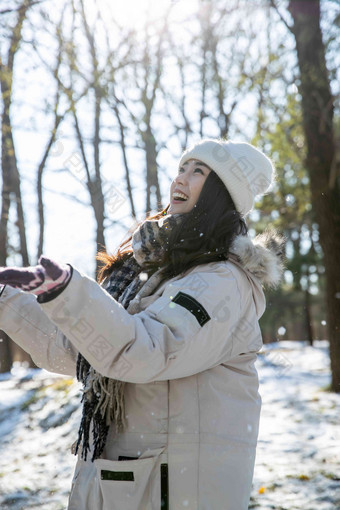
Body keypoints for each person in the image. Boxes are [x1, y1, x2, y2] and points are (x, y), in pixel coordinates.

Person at [0, 138, 286, 510]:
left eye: (197, 171)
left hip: (175, 489)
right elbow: (80, 351)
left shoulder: (221, 282)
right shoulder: (150, 273)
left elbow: (144, 350)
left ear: (221, 194)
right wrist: (12, 297)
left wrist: (70, 292)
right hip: (126, 482)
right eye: (181, 168)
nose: (180, 179)